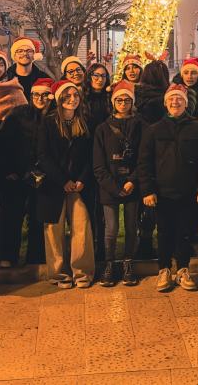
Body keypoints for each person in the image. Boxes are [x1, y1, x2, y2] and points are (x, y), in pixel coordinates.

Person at [137, 83, 198, 292]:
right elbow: (144, 163)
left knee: (185, 231)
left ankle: (182, 268)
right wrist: (147, 190)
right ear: (165, 103)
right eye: (171, 98)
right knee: (164, 231)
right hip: (162, 192)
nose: (175, 102)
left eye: (179, 98)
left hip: (189, 191)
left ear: (186, 102)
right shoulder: (154, 130)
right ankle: (164, 269)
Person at [38, 80, 96, 289]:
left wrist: (82, 179)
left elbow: (91, 155)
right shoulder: (48, 122)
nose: (72, 99)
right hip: (55, 184)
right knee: (54, 230)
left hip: (79, 185)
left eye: (75, 95)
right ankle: (59, 274)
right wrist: (63, 180)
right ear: (59, 99)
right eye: (67, 96)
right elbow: (43, 156)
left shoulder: (85, 121)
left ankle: (82, 273)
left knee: (81, 227)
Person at [0, 78, 51, 267]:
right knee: (11, 217)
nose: (40, 98)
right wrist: (7, 170)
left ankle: (35, 257)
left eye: (45, 95)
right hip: (16, 174)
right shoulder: (18, 114)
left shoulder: (53, 116)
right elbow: (3, 143)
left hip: (43, 176)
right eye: (36, 95)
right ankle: (8, 256)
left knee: (37, 218)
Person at [92, 80, 142, 287]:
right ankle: (109, 263)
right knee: (111, 229)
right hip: (109, 186)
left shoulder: (141, 125)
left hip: (132, 184)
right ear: (113, 102)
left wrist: (132, 181)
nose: (123, 103)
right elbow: (98, 164)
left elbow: (144, 158)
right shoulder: (102, 129)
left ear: (132, 102)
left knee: (131, 227)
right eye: (119, 100)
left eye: (127, 100)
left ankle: (129, 262)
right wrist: (113, 187)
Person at [133, 59, 171, 259]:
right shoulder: (162, 99)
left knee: (144, 198)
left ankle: (145, 240)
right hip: (161, 151)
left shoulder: (136, 96)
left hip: (140, 150)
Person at [79, 62, 111, 261]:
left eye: (103, 76)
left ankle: (103, 251)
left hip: (107, 156)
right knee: (89, 207)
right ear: (89, 78)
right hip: (87, 155)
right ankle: (90, 249)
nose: (99, 79)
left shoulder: (110, 98)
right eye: (95, 75)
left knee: (103, 207)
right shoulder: (82, 100)